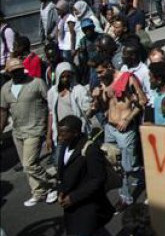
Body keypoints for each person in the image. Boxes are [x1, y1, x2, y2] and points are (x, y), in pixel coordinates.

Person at [0, 58, 57, 207]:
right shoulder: (5, 89)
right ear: (8, 73)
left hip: (35, 128)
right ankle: (39, 192)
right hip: (17, 131)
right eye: (14, 71)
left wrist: (50, 131)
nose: (17, 73)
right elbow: (3, 111)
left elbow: (50, 105)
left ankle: (52, 183)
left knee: (28, 164)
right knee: (28, 166)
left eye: (19, 70)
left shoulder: (37, 83)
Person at [93, 58, 147, 210]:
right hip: (110, 128)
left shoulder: (127, 79)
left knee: (129, 167)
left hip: (125, 130)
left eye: (101, 71)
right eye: (97, 73)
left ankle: (149, 178)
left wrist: (127, 119)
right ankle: (125, 198)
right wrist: (98, 96)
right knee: (115, 166)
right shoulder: (104, 82)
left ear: (109, 67)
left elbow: (142, 101)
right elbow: (103, 106)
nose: (98, 75)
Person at [55, 115, 115, 235]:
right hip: (71, 204)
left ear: (75, 133)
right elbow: (62, 173)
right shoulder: (65, 146)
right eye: (59, 133)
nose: (59, 138)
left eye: (63, 134)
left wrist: (73, 197)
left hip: (87, 204)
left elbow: (98, 179)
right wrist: (61, 190)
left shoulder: (90, 149)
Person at [47, 62, 92, 164]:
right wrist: (48, 136)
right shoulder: (52, 92)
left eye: (68, 76)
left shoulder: (79, 90)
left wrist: (92, 106)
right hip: (61, 134)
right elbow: (51, 114)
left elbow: (87, 109)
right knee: (59, 162)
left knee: (78, 161)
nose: (66, 79)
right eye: (63, 77)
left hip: (76, 133)